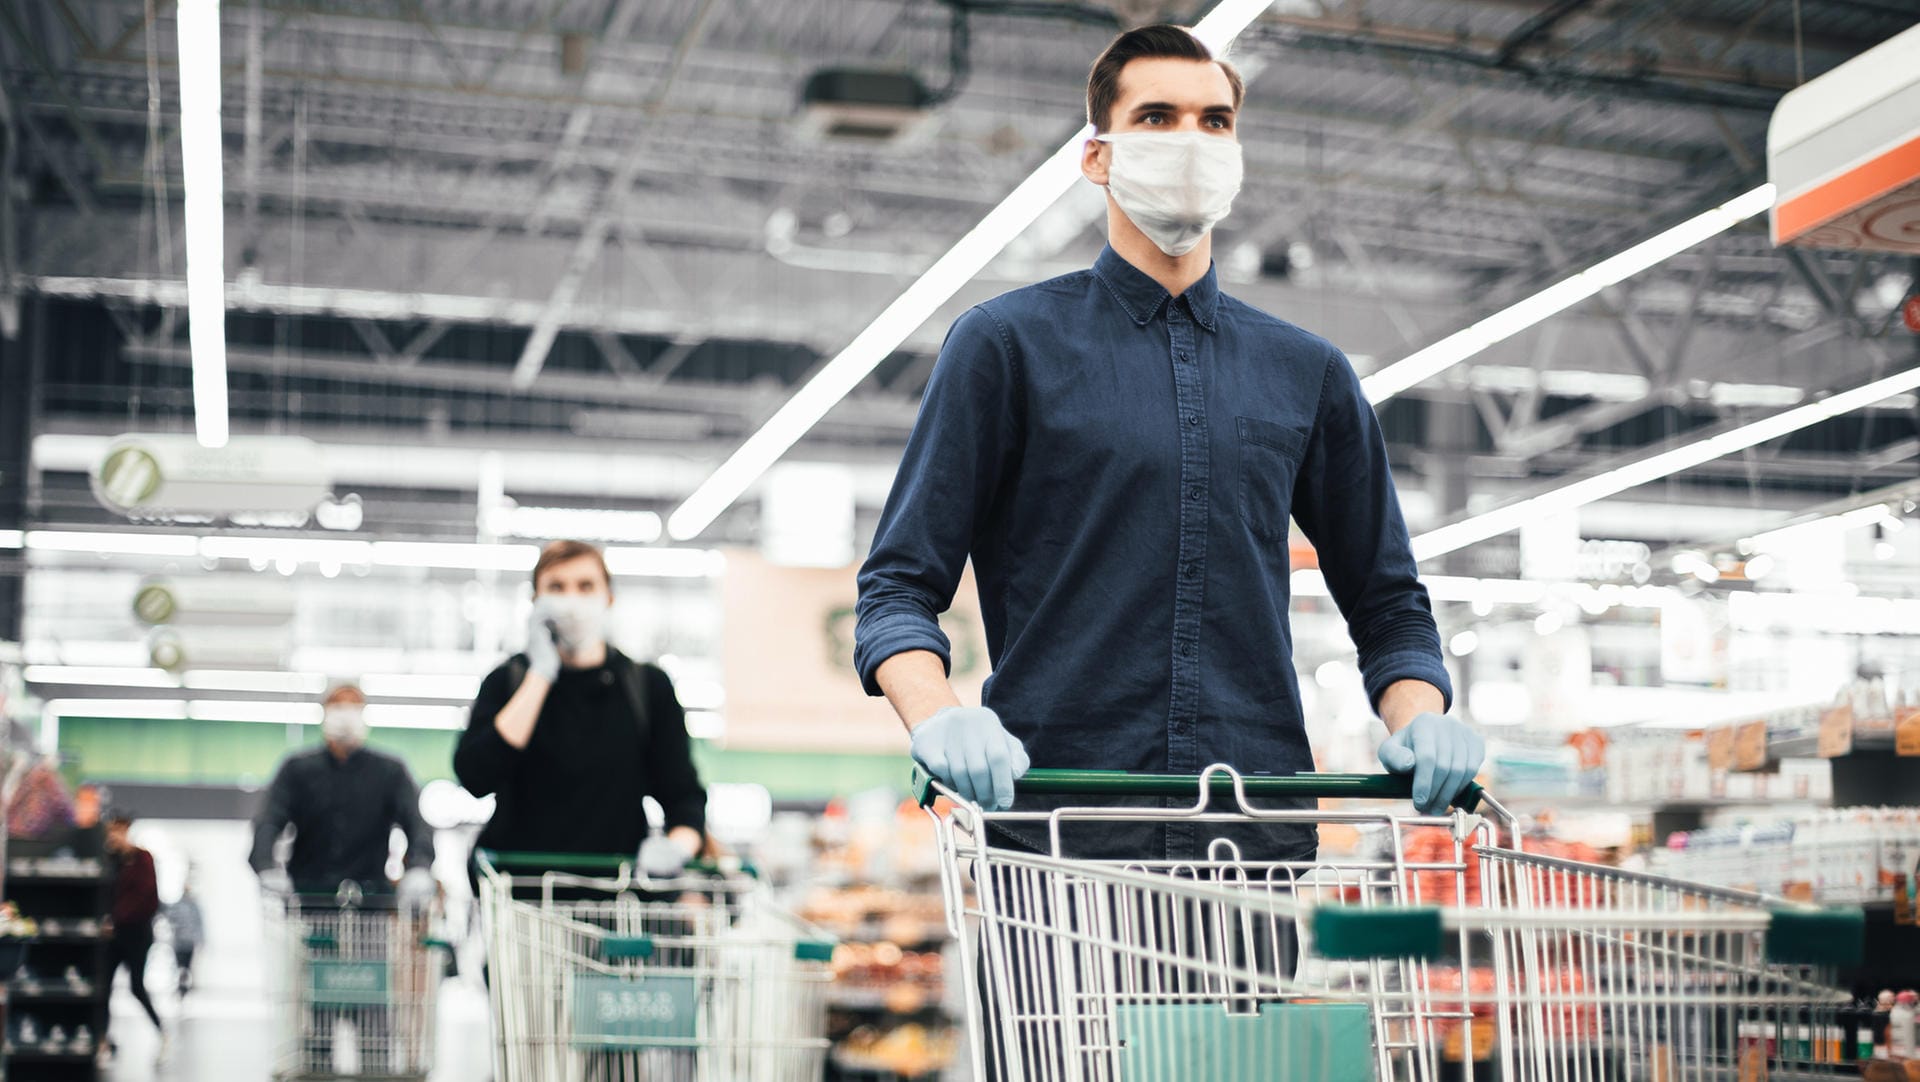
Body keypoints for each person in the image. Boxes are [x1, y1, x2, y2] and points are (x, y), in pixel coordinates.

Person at [854, 24, 1485, 866]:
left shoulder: (1309, 373)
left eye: (1214, 121)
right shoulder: (1007, 346)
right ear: (1097, 156)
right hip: (1059, 834)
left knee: (1239, 1009)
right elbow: (897, 587)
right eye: (1156, 118)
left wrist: (1421, 717)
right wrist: (938, 714)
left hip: (1249, 834)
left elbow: (1388, 602)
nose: (1191, 141)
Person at [455, 539, 707, 880]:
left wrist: (678, 847)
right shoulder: (508, 681)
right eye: (556, 588)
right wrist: (540, 674)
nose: (572, 600)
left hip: (613, 896)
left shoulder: (647, 687)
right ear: (535, 602)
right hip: (521, 897)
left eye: (586, 586)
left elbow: (684, 797)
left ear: (609, 598)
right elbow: (475, 776)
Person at [248, 682, 437, 908]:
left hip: (370, 899)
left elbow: (417, 824)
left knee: (366, 941)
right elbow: (269, 820)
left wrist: (419, 867)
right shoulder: (297, 770)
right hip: (310, 898)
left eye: (354, 705)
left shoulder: (390, 772)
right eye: (338, 705)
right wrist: (266, 866)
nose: (346, 713)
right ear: (325, 711)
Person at [103, 810, 166, 1062]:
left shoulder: (143, 859)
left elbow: (148, 898)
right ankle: (103, 1042)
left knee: (137, 987)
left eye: (118, 830)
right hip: (111, 936)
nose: (114, 835)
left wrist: (116, 919)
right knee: (102, 988)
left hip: (136, 934)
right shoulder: (110, 859)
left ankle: (162, 1033)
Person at [163, 883, 203, 997]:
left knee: (185, 965)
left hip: (187, 942)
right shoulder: (178, 906)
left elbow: (198, 923)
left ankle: (183, 986)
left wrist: (199, 938)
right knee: (180, 965)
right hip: (180, 941)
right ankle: (181, 985)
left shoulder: (193, 907)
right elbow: (170, 918)